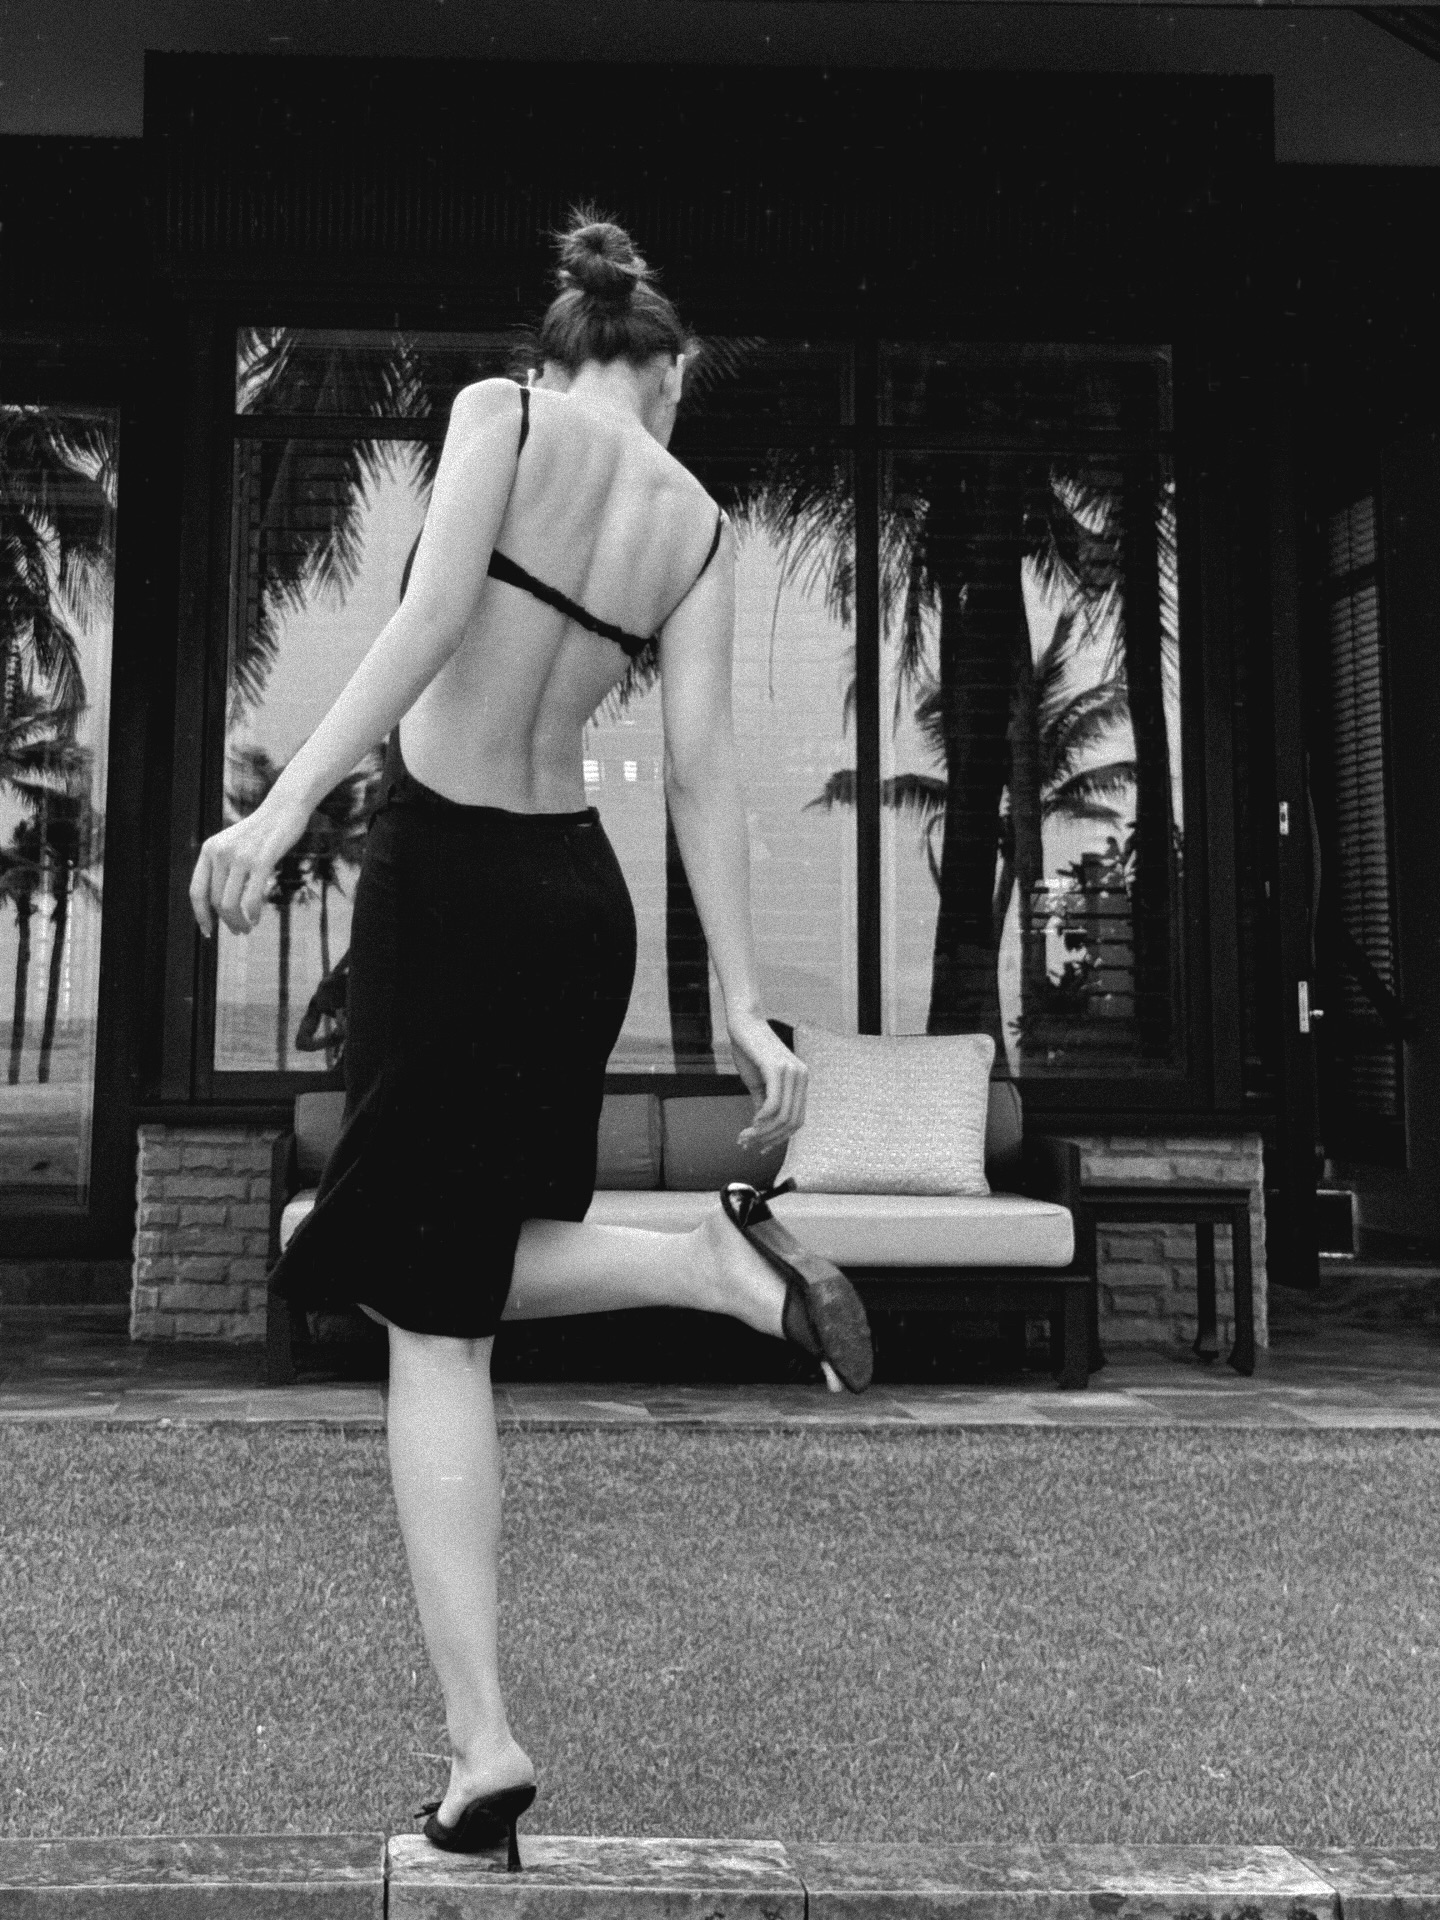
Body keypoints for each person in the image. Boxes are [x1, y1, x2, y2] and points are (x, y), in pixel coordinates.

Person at [188, 213, 873, 1867]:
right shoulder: (696, 523)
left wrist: (282, 810)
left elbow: (428, 626)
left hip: (446, 881)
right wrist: (740, 999)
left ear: (563, 351)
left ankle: (483, 1741)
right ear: (665, 369)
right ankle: (708, 1267)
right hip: (575, 905)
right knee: (449, 1270)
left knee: (431, 1317)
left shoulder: (498, 412)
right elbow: (702, 770)